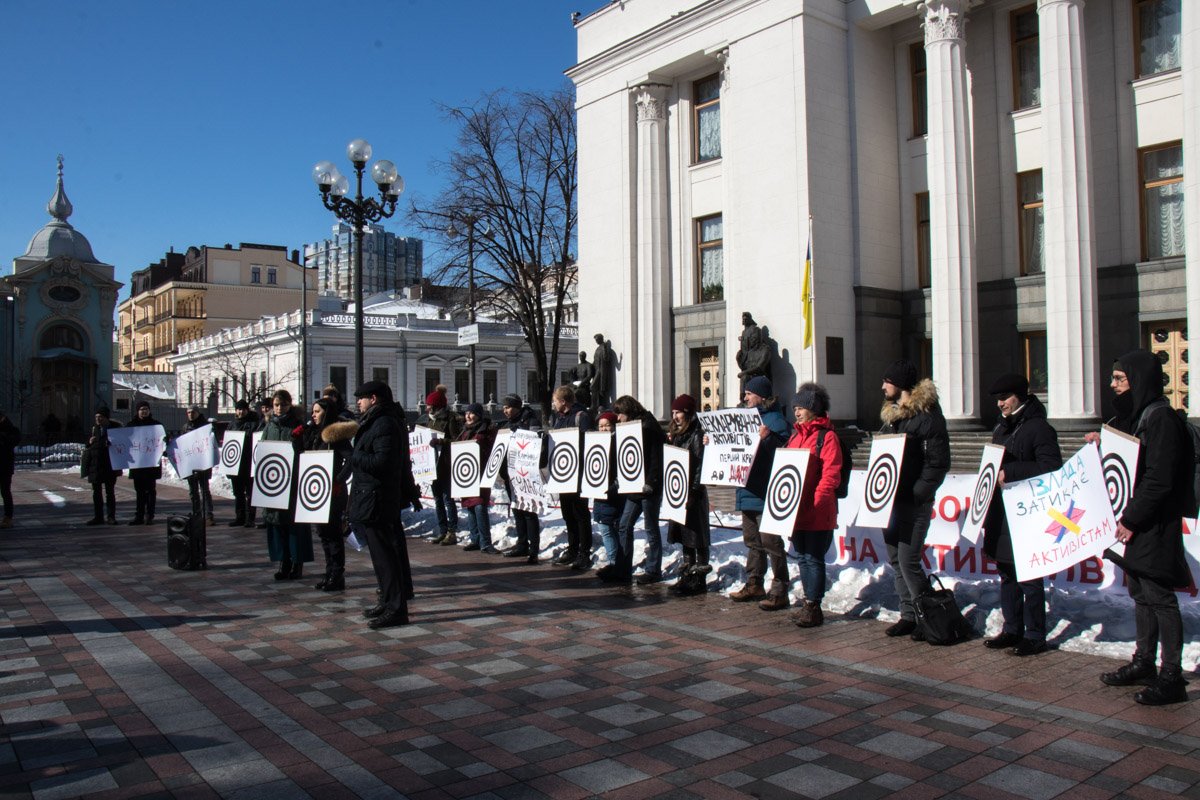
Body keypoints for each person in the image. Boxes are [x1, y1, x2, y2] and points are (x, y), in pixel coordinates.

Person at [1089, 350, 1194, 705]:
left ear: (1139, 379)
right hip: (1138, 522)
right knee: (1140, 594)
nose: (1113, 385)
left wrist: (1132, 519)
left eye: (1120, 379)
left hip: (1155, 524)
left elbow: (1159, 478)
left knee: (1160, 598)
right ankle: (1144, 662)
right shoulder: (1138, 417)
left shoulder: (1161, 418)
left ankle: (1171, 676)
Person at [981, 373, 1062, 656]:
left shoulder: (1039, 428)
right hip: (1002, 512)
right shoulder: (1002, 429)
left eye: (1005, 398)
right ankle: (1012, 628)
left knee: (1029, 576)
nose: (1000, 404)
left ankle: (1035, 633)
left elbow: (1052, 467)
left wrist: (1011, 472)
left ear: (1020, 396)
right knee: (1006, 571)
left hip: (1028, 513)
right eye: (997, 400)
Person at [878, 359, 950, 640]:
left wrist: (918, 493)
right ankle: (908, 614)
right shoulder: (893, 419)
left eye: (887, 381)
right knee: (896, 558)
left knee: (909, 560)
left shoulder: (928, 417)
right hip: (891, 502)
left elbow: (937, 463)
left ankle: (926, 616)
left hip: (913, 502)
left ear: (900, 385)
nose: (883, 386)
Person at [349, 380, 410, 629]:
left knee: (386, 556)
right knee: (379, 556)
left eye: (361, 398)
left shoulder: (384, 423)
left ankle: (396, 608)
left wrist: (353, 455)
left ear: (373, 399)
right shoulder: (375, 421)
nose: (358, 402)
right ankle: (387, 601)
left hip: (379, 499)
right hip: (371, 497)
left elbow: (382, 462)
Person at [728, 376, 792, 607]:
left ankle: (780, 587)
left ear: (761, 396)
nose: (744, 397)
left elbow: (784, 452)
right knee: (752, 540)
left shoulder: (776, 421)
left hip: (765, 490)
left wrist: (768, 440)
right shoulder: (744, 419)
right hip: (747, 489)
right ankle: (754, 582)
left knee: (770, 541)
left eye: (748, 393)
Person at [784, 383, 843, 626]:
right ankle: (808, 601)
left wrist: (817, 501)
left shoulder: (827, 437)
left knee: (813, 557)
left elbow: (831, 474)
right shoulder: (795, 436)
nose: (796, 412)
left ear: (813, 408)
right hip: (797, 510)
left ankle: (813, 605)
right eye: (795, 407)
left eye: (801, 407)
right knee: (802, 556)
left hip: (818, 510)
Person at [613, 395, 667, 584]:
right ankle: (623, 567)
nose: (618, 418)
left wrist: (651, 481)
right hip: (633, 485)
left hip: (648, 486)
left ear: (628, 411)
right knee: (624, 525)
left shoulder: (648, 427)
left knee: (651, 528)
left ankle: (653, 570)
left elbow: (656, 457)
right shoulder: (631, 428)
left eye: (620, 414)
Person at [304, 398, 356, 591]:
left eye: (317, 411)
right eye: (313, 411)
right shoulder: (315, 434)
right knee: (323, 534)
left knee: (333, 535)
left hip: (333, 493)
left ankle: (337, 575)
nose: (313, 415)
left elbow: (351, 461)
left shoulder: (336, 436)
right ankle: (329, 573)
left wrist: (338, 479)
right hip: (317, 490)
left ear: (326, 413)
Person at [261, 389, 312, 581]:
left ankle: (297, 563)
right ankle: (284, 562)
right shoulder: (269, 426)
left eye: (283, 404)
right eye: (276, 405)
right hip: (274, 483)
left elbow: (303, 450)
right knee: (277, 524)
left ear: (289, 405)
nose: (279, 408)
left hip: (292, 482)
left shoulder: (297, 425)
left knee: (294, 525)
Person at [665, 394, 712, 596]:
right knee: (685, 537)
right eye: (673, 412)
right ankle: (686, 575)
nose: (675, 416)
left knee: (696, 537)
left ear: (688, 413)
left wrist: (693, 491)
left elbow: (700, 465)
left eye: (679, 412)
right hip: (678, 491)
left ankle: (698, 579)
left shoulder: (697, 434)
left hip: (693, 494)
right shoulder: (677, 434)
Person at [549, 385, 593, 570]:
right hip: (563, 474)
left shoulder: (580, 417)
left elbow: (587, 442)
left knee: (580, 513)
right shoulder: (559, 419)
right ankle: (572, 548)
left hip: (578, 473)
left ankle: (584, 552)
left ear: (563, 402)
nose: (552, 404)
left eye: (554, 401)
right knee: (567, 513)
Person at [498, 394, 543, 563]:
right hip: (511, 474)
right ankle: (522, 543)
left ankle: (534, 549)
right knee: (517, 509)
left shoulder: (530, 420)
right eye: (503, 408)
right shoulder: (506, 425)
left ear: (517, 407)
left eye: (508, 407)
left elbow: (537, 443)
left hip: (526, 474)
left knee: (529, 511)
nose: (505, 411)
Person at [418, 387, 463, 545]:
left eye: (430, 405)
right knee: (437, 499)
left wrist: (440, 441)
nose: (427, 407)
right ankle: (442, 530)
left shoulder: (451, 419)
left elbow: (458, 440)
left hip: (445, 463)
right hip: (433, 465)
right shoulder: (430, 419)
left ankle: (452, 531)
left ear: (437, 406)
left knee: (447, 498)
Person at [458, 402, 499, 554]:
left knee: (480, 506)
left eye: (471, 413)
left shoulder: (487, 430)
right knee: (470, 506)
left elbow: (492, 449)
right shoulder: (464, 431)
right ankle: (474, 539)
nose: (468, 416)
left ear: (479, 415)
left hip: (481, 474)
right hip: (466, 475)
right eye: (466, 413)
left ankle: (485, 542)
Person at [592, 412, 623, 575]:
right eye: (601, 426)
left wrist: (613, 486)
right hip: (599, 493)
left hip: (613, 493)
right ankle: (613, 562)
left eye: (607, 425)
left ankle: (616, 563)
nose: (603, 429)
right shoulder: (595, 443)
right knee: (604, 527)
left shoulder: (618, 442)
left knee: (611, 528)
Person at [126, 401, 163, 526]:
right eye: (141, 409)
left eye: (146, 409)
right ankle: (139, 516)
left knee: (151, 491)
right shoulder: (131, 426)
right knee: (139, 491)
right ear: (137, 411)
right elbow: (124, 441)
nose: (144, 411)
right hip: (137, 465)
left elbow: (162, 440)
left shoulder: (156, 425)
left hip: (151, 464)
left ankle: (150, 515)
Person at [83, 408, 121, 525]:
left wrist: (110, 443)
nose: (98, 419)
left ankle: (111, 517)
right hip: (95, 465)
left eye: (100, 417)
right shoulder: (95, 429)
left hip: (109, 465)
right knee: (96, 493)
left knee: (110, 492)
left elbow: (121, 444)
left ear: (106, 418)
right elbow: (88, 446)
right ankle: (98, 517)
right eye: (96, 417)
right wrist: (89, 442)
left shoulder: (114, 429)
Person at [227, 400, 259, 528]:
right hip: (236, 465)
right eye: (238, 409)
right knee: (238, 493)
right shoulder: (232, 424)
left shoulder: (253, 423)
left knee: (250, 493)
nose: (240, 412)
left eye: (243, 409)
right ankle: (239, 517)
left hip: (248, 463)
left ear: (247, 410)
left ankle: (250, 518)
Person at [181, 406, 215, 524]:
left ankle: (208, 515)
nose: (190, 414)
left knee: (205, 490)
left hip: (203, 464)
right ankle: (197, 513)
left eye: (193, 412)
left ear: (198, 413)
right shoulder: (185, 427)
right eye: (188, 412)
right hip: (191, 465)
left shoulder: (205, 426)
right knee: (193, 491)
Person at [0, 409, 19, 528]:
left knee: (5, 491)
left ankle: (8, 517)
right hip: (5, 465)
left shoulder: (10, 429)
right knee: (5, 491)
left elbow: (14, 440)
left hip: (5, 465)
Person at [592, 334, 613, 409]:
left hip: (602, 371)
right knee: (596, 388)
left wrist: (604, 348)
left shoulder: (604, 347)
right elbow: (595, 360)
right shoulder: (598, 349)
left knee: (595, 387)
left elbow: (606, 358)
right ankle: (598, 405)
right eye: (596, 340)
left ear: (601, 339)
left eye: (597, 339)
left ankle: (597, 406)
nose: (596, 341)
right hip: (597, 370)